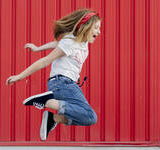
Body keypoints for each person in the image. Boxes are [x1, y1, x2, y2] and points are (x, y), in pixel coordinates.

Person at [6, 9, 101, 141]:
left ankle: (53, 118)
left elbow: (57, 43)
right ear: (86, 26)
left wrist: (38, 48)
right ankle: (48, 102)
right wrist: (19, 76)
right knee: (90, 116)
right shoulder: (70, 43)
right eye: (96, 28)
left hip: (68, 84)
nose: (99, 32)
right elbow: (45, 61)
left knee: (88, 118)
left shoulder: (79, 42)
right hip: (62, 83)